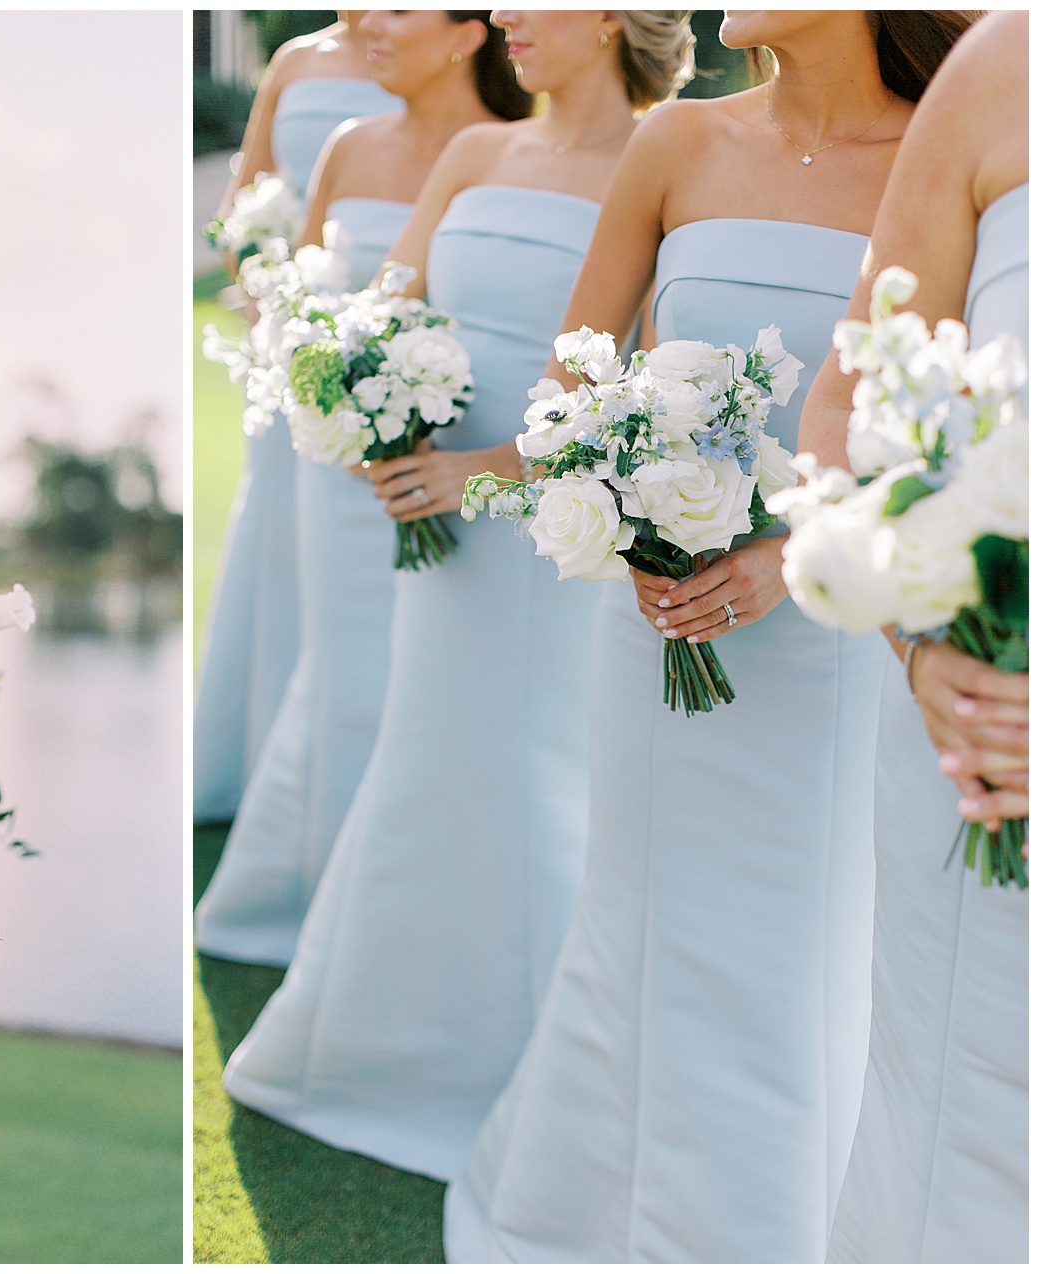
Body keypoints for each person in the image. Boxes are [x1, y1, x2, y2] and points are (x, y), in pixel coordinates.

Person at [445, 11, 978, 1262]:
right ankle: (587, 1211)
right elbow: (573, 383)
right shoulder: (678, 139)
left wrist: (792, 556)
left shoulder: (945, 154)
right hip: (653, 623)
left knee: (796, 944)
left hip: (836, 640)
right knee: (634, 915)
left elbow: (949, 430)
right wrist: (625, 507)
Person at [222, 10, 690, 1183]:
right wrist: (370, 392)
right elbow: (387, 303)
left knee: (539, 769)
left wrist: (484, 471)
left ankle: (539, 1063)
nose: (513, 21)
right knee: (426, 754)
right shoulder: (479, 155)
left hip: (550, 530)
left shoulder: (668, 155)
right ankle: (379, 1048)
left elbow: (634, 373)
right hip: (430, 517)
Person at [195, 11, 527, 966]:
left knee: (429, 666)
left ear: (471, 34)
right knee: (338, 660)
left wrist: (420, 404)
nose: (373, 23)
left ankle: (417, 884)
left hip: (451, 448)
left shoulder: (503, 155)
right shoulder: (343, 143)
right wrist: (331, 381)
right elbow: (302, 289)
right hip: (336, 443)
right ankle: (328, 880)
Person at [792, 9, 1026, 1262]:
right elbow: (849, 385)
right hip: (972, 729)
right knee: (960, 1114)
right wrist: (921, 644)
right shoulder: (1000, 67)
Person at [194, 15, 399, 824]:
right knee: (278, 529)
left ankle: (360, 744)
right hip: (297, 327)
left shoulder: (427, 44)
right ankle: (260, 760)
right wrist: (260, 274)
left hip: (389, 317)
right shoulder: (294, 59)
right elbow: (243, 196)